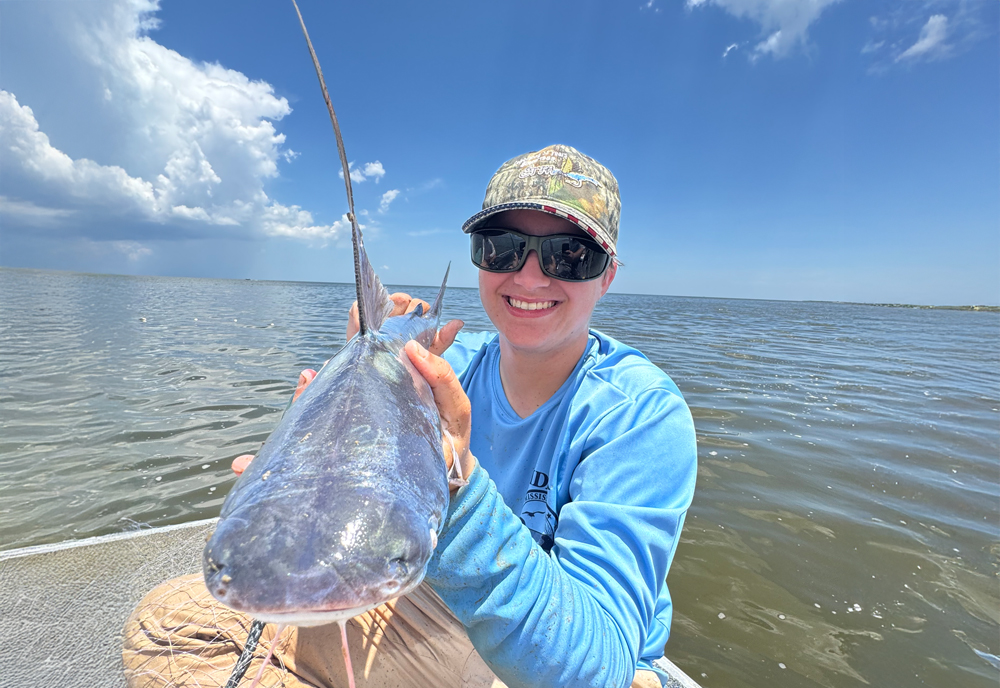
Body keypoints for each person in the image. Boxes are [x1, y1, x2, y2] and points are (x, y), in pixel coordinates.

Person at [123, 144, 697, 688]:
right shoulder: (442, 363)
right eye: (502, 247)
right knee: (169, 624)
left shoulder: (640, 415)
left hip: (578, 655)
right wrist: (352, 373)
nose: (528, 276)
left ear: (608, 275)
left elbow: (596, 668)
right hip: (444, 609)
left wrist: (457, 484)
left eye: (569, 255)